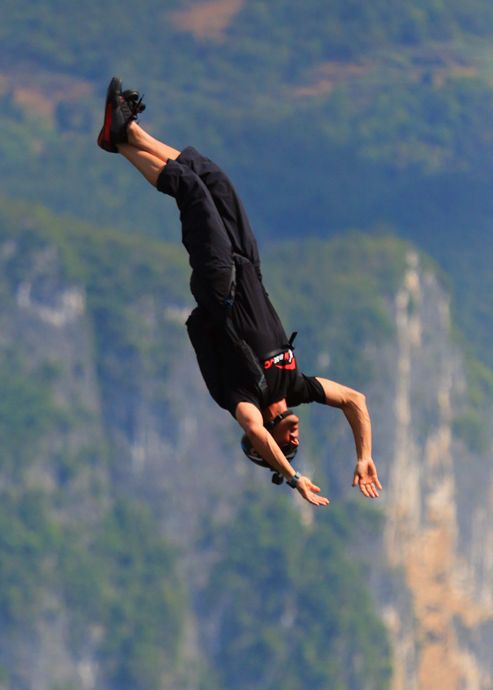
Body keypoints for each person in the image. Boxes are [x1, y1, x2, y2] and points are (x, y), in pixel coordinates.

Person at [98, 77, 381, 507]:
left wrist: (293, 477)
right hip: (249, 266)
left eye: (287, 447)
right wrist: (364, 456)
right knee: (213, 178)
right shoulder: (297, 386)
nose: (295, 441)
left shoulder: (244, 399)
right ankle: (127, 133)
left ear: (267, 440)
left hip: (219, 284)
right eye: (294, 447)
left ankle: (118, 143)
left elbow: (252, 429)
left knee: (192, 192)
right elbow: (354, 401)